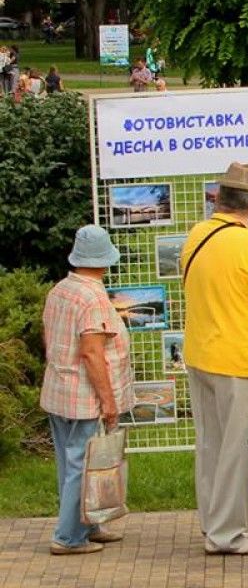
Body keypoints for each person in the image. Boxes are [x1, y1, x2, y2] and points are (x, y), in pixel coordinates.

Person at [181, 163, 248, 555]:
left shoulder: (197, 234)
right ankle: (228, 533)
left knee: (210, 445)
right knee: (240, 450)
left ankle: (214, 524)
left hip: (199, 353)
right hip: (240, 359)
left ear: (218, 198)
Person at [39, 225, 133, 555]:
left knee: (71, 464)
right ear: (105, 260)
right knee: (83, 465)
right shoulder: (93, 297)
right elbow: (92, 353)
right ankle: (67, 537)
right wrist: (108, 402)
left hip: (58, 391)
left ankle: (89, 523)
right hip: (83, 399)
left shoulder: (61, 289)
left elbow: (49, 338)